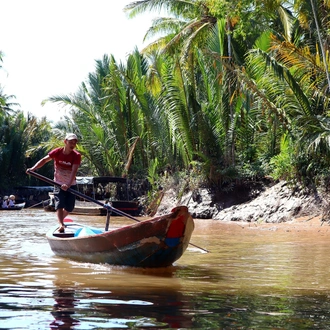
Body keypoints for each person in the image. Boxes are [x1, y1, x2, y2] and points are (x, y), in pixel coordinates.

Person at [26, 133, 81, 233]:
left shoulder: (76, 156)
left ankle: (60, 220)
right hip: (58, 183)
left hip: (71, 183)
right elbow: (44, 160)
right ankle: (61, 224)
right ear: (65, 142)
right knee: (59, 204)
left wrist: (68, 185)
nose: (72, 144)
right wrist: (33, 168)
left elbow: (74, 171)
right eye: (70, 142)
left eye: (74, 143)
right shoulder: (57, 152)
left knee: (70, 207)